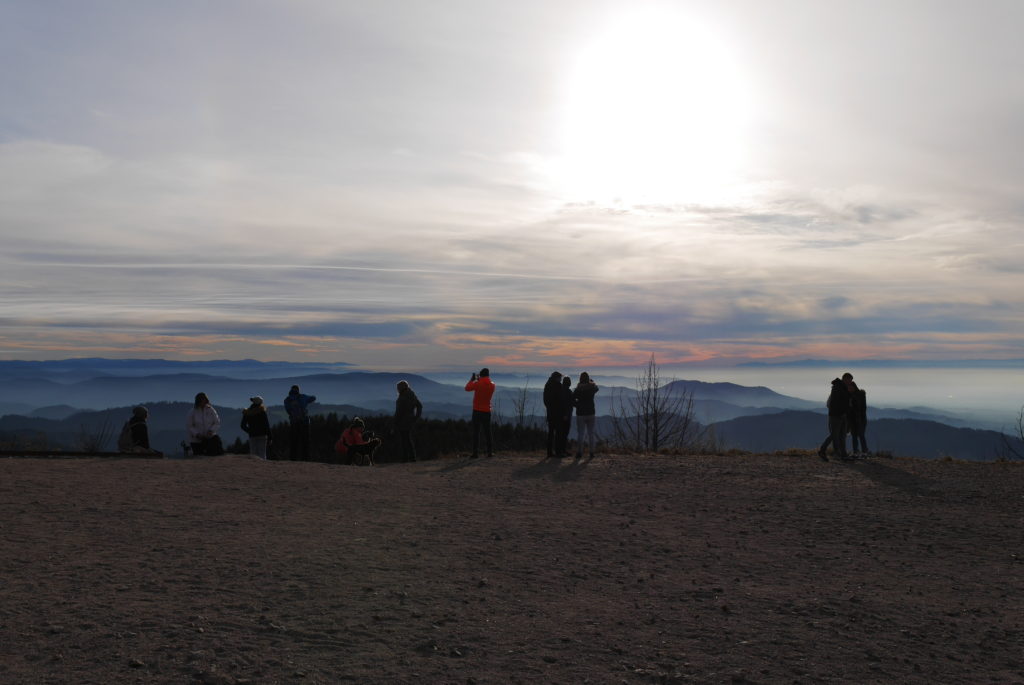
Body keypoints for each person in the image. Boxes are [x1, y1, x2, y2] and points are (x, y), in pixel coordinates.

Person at [818, 373, 853, 461]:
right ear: (845, 379)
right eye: (849, 380)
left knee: (841, 435)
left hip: (842, 415)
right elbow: (836, 402)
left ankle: (843, 454)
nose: (850, 382)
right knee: (834, 435)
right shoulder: (838, 387)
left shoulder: (842, 387)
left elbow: (844, 401)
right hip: (836, 416)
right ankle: (823, 450)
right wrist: (841, 412)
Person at [465, 368, 495, 458]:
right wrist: (480, 379)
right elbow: (485, 384)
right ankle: (489, 452)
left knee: (476, 432)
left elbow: (467, 388)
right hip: (487, 411)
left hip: (477, 410)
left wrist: (472, 380)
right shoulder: (492, 385)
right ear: (488, 375)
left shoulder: (477, 384)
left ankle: (475, 453)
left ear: (481, 375)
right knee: (488, 432)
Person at [284, 384, 316, 461]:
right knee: (305, 442)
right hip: (304, 422)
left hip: (294, 423)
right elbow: (313, 398)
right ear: (298, 390)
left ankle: (293, 458)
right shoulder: (303, 397)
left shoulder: (287, 400)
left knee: (294, 441)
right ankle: (305, 459)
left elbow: (288, 411)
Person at [394, 380, 423, 462]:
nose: (397, 389)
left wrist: (394, 422)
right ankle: (411, 457)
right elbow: (420, 406)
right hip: (410, 421)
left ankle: (406, 458)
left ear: (401, 388)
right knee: (407, 438)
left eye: (398, 388)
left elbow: (399, 412)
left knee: (404, 439)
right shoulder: (412, 395)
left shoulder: (402, 398)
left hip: (402, 422)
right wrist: (416, 417)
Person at [573, 372, 599, 459]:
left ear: (580, 379)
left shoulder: (578, 389)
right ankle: (591, 452)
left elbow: (572, 399)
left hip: (580, 413)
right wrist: (591, 382)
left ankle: (579, 452)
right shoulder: (591, 388)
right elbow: (597, 388)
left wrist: (577, 405)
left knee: (581, 433)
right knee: (591, 433)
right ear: (588, 378)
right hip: (591, 412)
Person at [240, 395, 271, 459]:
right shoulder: (262, 411)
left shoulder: (247, 412)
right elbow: (266, 425)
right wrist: (270, 437)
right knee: (262, 453)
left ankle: (253, 465)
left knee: (253, 454)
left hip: (252, 435)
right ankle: (262, 465)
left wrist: (250, 431)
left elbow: (242, 425)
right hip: (262, 435)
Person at [543, 371, 563, 458]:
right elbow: (561, 399)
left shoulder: (547, 385)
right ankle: (558, 452)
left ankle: (549, 452)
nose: (561, 379)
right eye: (560, 378)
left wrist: (549, 407)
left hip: (550, 412)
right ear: (557, 378)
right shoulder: (559, 386)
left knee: (550, 433)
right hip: (558, 413)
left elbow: (545, 400)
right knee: (558, 433)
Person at [849, 383, 870, 457]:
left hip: (860, 419)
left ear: (854, 387)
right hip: (853, 419)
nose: (850, 389)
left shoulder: (860, 395)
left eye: (851, 387)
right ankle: (856, 452)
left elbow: (863, 408)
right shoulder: (849, 395)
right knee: (854, 436)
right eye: (849, 388)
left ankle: (864, 452)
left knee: (861, 435)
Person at [557, 375, 574, 457]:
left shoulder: (560, 391)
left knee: (561, 434)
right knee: (564, 434)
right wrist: (566, 414)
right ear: (569, 383)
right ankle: (561, 451)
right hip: (566, 415)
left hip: (560, 415)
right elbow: (568, 404)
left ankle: (562, 450)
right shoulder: (568, 392)